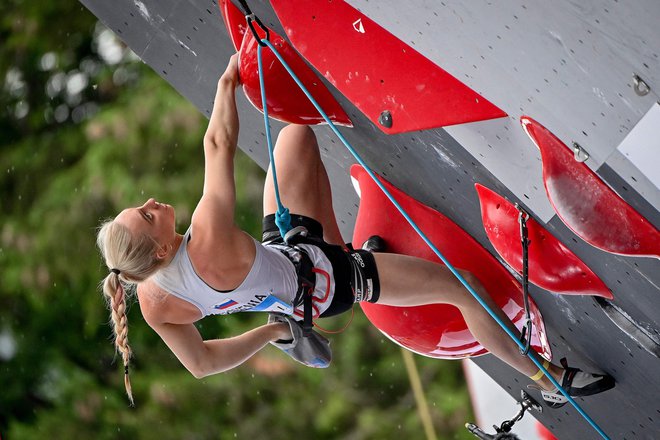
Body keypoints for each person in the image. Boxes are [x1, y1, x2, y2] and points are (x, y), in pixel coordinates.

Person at [96, 54, 613, 407]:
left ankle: (334, 262)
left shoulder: (149, 298)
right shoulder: (205, 236)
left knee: (297, 129)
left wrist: (276, 330)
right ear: (163, 247)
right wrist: (227, 80)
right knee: (462, 289)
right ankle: (549, 377)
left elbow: (203, 364)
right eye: (144, 215)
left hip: (288, 253)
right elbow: (217, 144)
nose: (147, 202)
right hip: (331, 283)